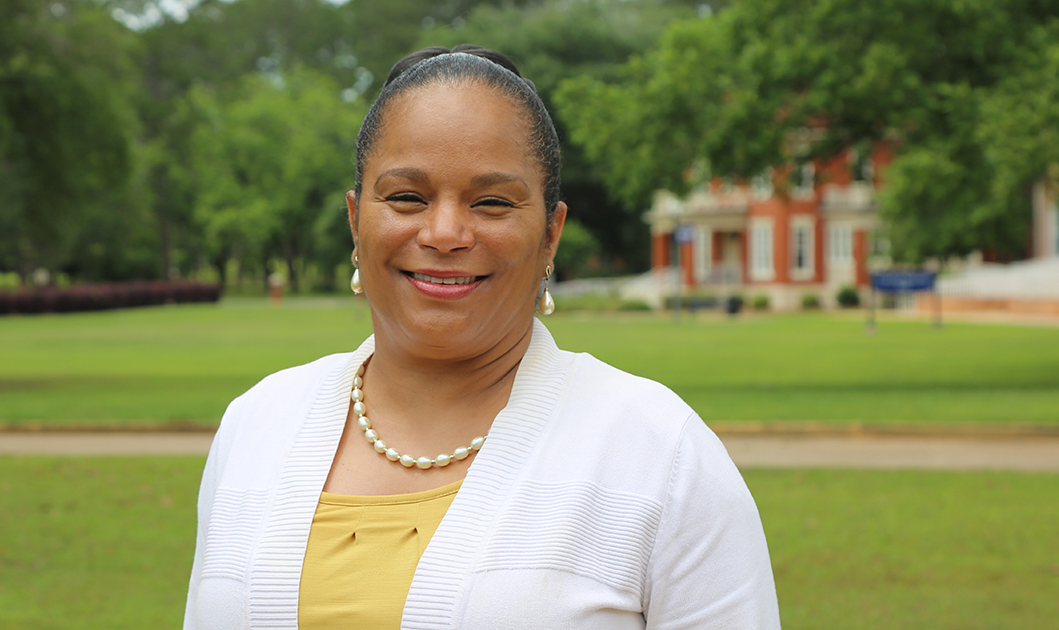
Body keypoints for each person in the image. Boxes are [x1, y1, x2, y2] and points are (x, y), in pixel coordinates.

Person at [184, 45, 779, 630]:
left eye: (492, 202)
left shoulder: (659, 454)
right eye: (406, 198)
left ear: (551, 233)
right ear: (354, 219)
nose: (445, 233)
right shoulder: (257, 425)